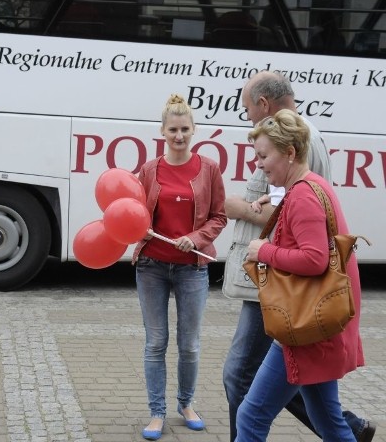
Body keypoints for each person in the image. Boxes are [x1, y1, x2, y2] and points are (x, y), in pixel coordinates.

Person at [221, 71, 375, 442]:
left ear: (289, 153)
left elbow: (315, 259)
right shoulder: (307, 186)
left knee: (251, 416)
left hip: (305, 326)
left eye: (263, 157)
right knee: (330, 423)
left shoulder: (304, 194)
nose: (258, 164)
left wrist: (264, 250)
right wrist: (272, 201)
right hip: (316, 323)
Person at [132, 94, 226, 440]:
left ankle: (186, 404)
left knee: (189, 344)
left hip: (192, 268)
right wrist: (137, 227)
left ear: (194, 130)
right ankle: (156, 412)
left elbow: (218, 216)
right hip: (152, 265)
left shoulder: (209, 169)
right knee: (156, 342)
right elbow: (134, 211)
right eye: (173, 129)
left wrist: (197, 238)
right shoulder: (150, 169)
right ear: (162, 131)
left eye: (185, 129)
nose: (179, 135)